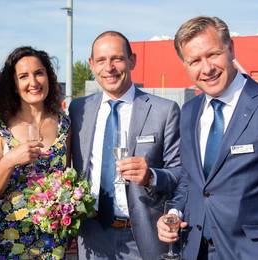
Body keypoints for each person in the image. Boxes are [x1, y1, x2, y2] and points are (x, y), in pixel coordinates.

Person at [157, 16, 258, 260]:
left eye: (213, 54)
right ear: (185, 65)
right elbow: (190, 180)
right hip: (195, 251)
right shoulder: (189, 112)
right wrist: (175, 213)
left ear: (231, 49)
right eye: (194, 61)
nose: (206, 69)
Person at [69, 31, 181, 260]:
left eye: (117, 58)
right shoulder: (78, 109)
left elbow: (180, 173)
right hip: (90, 235)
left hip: (141, 237)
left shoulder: (164, 111)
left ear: (132, 60)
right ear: (92, 64)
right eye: (101, 60)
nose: (109, 67)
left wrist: (150, 176)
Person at [0, 46, 70, 259]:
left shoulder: (64, 124)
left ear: (48, 77)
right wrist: (10, 160)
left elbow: (68, 179)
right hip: (11, 241)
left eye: (39, 73)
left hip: (54, 240)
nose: (33, 82)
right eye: (23, 76)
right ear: (14, 84)